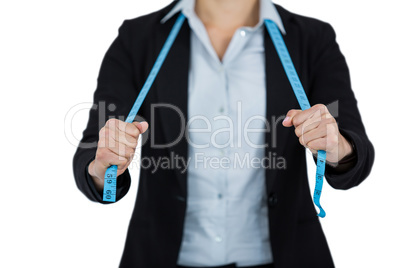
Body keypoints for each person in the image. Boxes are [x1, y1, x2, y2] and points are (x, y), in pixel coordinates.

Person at [73, 0, 375, 267]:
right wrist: (104, 166)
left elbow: (355, 154)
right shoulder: (138, 38)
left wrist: (337, 148)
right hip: (161, 255)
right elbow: (93, 152)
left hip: (287, 255)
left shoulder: (312, 39)